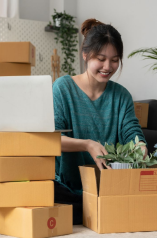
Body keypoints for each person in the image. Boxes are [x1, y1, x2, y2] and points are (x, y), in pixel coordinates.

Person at [52, 18, 148, 225]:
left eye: (114, 60)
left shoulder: (121, 95)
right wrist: (87, 144)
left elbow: (132, 131)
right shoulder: (63, 88)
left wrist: (140, 145)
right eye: (101, 59)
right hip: (67, 187)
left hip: (108, 185)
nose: (108, 67)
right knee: (44, 191)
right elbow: (52, 139)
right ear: (85, 55)